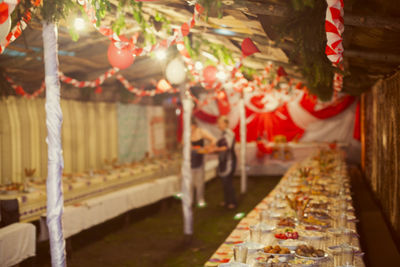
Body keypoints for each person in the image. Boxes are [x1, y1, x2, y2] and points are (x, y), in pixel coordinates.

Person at [190, 118, 216, 207]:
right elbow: (184, 145)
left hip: (200, 160)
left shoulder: (201, 132)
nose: (190, 128)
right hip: (190, 161)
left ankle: (200, 199)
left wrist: (208, 147)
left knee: (200, 181)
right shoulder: (186, 134)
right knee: (190, 182)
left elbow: (213, 139)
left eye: (191, 126)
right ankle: (190, 200)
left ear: (194, 125)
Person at [215, 116, 237, 210]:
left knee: (228, 181)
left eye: (220, 123)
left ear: (225, 124)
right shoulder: (222, 133)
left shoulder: (229, 133)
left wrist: (214, 149)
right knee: (224, 182)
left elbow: (226, 147)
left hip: (229, 160)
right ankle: (227, 200)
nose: (218, 125)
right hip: (223, 160)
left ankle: (232, 202)